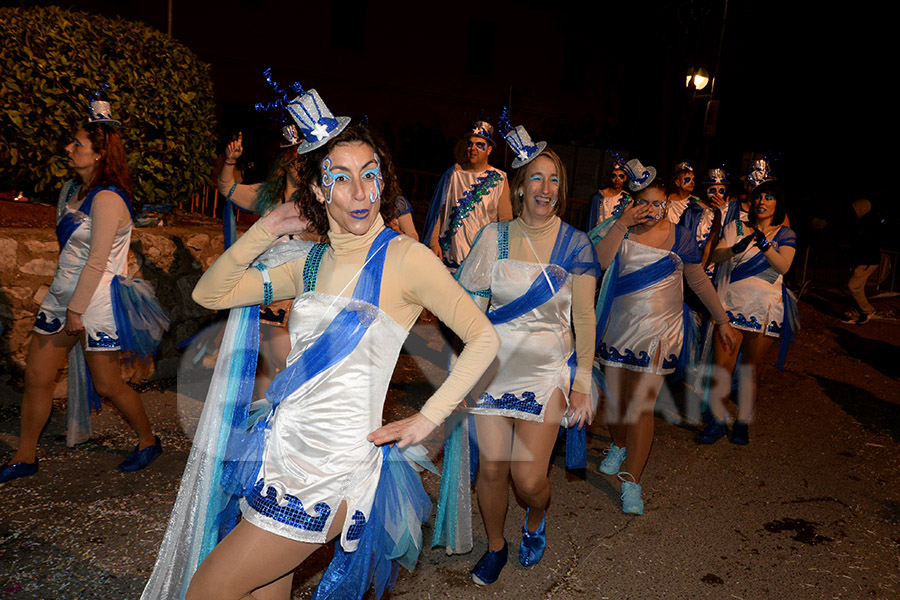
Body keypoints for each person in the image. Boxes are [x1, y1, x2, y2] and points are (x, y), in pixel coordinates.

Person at [141, 89, 499, 600]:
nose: (360, 191)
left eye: (370, 174)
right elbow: (209, 292)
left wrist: (428, 418)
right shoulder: (309, 262)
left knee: (206, 590)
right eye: (341, 177)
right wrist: (264, 229)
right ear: (317, 187)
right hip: (279, 453)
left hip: (330, 471)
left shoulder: (406, 259)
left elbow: (483, 338)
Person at [451, 122, 598, 585]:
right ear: (519, 184)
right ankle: (496, 546)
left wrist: (582, 383)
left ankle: (536, 515)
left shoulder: (577, 244)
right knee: (493, 468)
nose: (546, 188)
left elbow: (586, 319)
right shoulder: (492, 239)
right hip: (494, 369)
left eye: (554, 180)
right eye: (537, 177)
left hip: (547, 370)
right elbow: (469, 308)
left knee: (529, 480)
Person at [1, 97, 165, 484]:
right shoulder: (70, 191)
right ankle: (26, 455)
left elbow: (96, 261)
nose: (68, 148)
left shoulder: (107, 199)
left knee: (108, 383)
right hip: (62, 297)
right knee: (37, 377)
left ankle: (148, 441)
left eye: (77, 144)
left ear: (99, 154)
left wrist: (75, 310)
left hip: (95, 303)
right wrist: (64, 303)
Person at [592, 159, 736, 514]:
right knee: (615, 405)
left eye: (660, 204)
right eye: (646, 203)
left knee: (641, 407)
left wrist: (722, 320)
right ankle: (618, 444)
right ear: (632, 202)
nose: (654, 211)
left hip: (661, 331)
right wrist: (621, 225)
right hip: (618, 328)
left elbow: (698, 280)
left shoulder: (681, 236)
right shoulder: (618, 229)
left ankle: (632, 481)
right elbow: (598, 264)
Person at [217, 125, 318, 398]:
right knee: (262, 358)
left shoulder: (315, 203)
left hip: (294, 285)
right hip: (263, 283)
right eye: (297, 159)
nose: (302, 166)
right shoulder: (266, 196)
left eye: (307, 161)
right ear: (285, 161)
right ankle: (261, 421)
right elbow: (227, 188)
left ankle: (293, 409)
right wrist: (230, 161)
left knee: (282, 355)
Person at [696, 181, 798, 445]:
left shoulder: (786, 234)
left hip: (765, 311)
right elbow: (716, 257)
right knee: (722, 368)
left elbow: (784, 267)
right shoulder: (736, 227)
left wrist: (765, 246)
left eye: (769, 197)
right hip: (731, 308)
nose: (762, 201)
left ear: (778, 203)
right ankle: (716, 422)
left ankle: (742, 422)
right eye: (758, 197)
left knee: (752, 373)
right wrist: (734, 249)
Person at [422, 120, 512, 271]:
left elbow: (505, 220)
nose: (473, 148)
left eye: (480, 145)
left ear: (489, 150)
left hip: (481, 260)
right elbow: (439, 211)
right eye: (470, 144)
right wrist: (434, 243)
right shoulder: (453, 174)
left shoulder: (499, 179)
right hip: (449, 257)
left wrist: (501, 257)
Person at [841, 198, 881, 325]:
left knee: (854, 286)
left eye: (854, 210)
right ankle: (857, 310)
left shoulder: (866, 226)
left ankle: (867, 310)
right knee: (857, 286)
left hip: (866, 261)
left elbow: (861, 247)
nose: (852, 212)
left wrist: (855, 263)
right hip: (865, 260)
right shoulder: (864, 224)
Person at [588, 152, 631, 228]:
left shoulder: (627, 199)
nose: (617, 179)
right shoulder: (599, 197)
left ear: (625, 178)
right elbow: (592, 222)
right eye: (614, 176)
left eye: (621, 176)